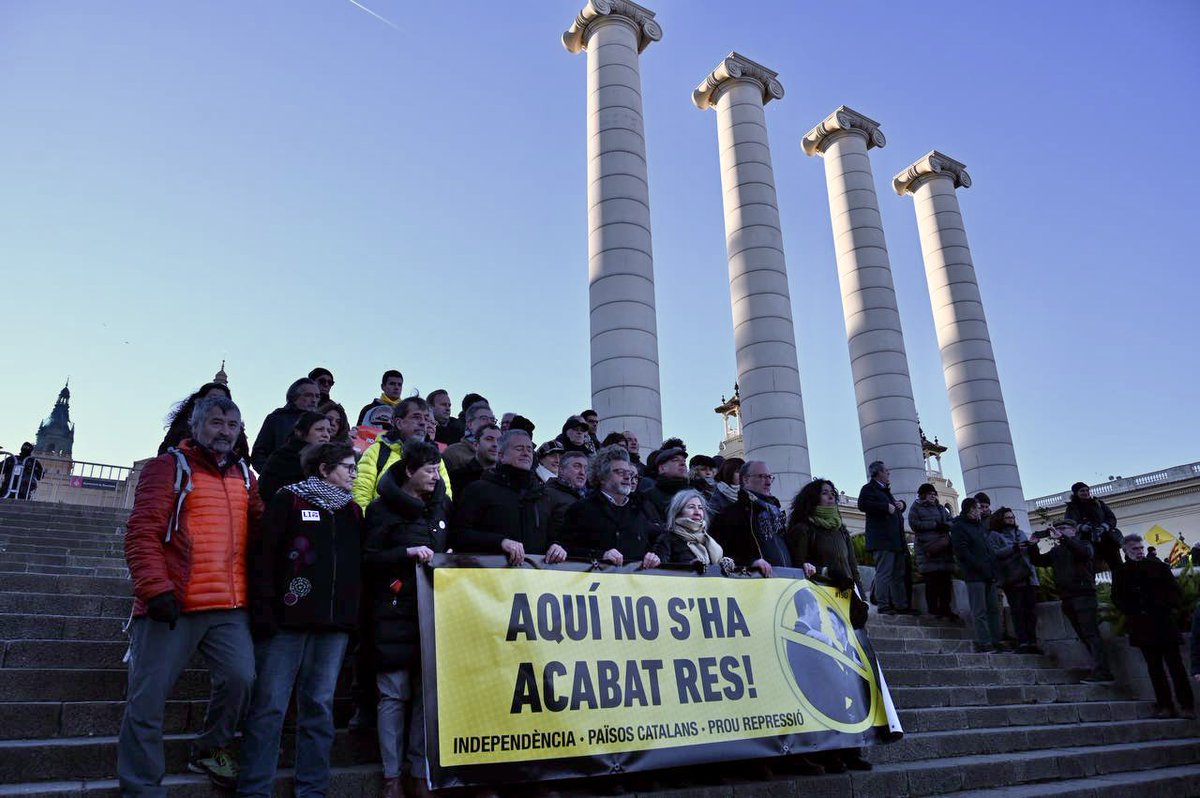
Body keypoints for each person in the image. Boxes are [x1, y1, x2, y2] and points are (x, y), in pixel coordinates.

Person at [119, 395, 265, 792]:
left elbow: (264, 528)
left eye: (233, 425)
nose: (225, 432)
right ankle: (141, 786)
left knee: (241, 679)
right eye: (217, 423)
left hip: (229, 606)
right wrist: (155, 589)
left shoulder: (245, 477)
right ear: (196, 426)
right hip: (174, 603)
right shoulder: (166, 468)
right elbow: (142, 533)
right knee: (147, 701)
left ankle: (210, 748)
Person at [238, 443, 362, 797]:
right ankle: (254, 789)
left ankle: (312, 789)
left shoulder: (353, 512)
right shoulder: (288, 500)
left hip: (333, 627)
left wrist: (350, 618)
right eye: (348, 467)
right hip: (285, 622)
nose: (354, 474)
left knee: (319, 708)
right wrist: (263, 608)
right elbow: (264, 557)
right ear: (323, 469)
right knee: (270, 706)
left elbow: (355, 569)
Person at [363, 442, 450, 798]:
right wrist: (405, 554)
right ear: (409, 471)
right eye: (429, 470)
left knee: (425, 698)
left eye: (437, 469)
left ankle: (419, 771)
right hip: (393, 612)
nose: (436, 476)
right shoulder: (382, 510)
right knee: (394, 694)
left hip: (433, 612)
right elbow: (368, 559)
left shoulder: (441, 509)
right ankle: (391, 776)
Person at [786, 479, 872, 773]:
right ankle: (828, 751)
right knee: (826, 683)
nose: (832, 496)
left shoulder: (840, 530)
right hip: (816, 611)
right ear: (813, 498)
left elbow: (853, 568)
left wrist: (860, 599)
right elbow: (797, 569)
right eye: (825, 493)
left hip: (845, 609)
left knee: (850, 680)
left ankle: (852, 748)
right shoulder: (802, 529)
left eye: (834, 492)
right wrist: (826, 573)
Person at [452, 429, 566, 565]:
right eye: (519, 449)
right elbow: (458, 535)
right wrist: (500, 542)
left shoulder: (543, 495)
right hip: (490, 577)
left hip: (534, 580)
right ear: (501, 455)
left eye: (529, 450)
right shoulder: (478, 489)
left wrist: (556, 546)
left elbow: (553, 536)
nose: (526, 453)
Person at [1112, 534, 1195, 718]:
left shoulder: (1159, 567)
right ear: (1125, 550)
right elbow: (1117, 597)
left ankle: (1186, 705)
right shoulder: (1121, 572)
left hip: (1163, 623)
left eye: (1141, 548)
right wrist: (1132, 611)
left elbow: (1175, 592)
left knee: (1176, 667)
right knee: (1154, 669)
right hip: (1142, 626)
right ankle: (1165, 705)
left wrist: (1166, 607)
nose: (1139, 552)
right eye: (1134, 549)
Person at [1029, 519, 1114, 682]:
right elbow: (1039, 561)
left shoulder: (1084, 544)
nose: (1059, 531)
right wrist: (1033, 545)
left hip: (1084, 594)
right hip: (1067, 597)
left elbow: (1084, 553)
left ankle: (1103, 670)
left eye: (1063, 528)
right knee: (1083, 634)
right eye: (1058, 528)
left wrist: (1064, 539)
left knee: (1091, 633)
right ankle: (1100, 668)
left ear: (1073, 530)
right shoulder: (1057, 551)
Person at [560, 445, 664, 568]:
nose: (627, 477)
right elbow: (565, 549)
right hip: (596, 583)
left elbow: (661, 538)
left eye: (629, 473)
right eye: (620, 472)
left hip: (636, 583)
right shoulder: (581, 509)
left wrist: (655, 555)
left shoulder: (641, 508)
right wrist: (600, 555)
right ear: (602, 477)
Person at [352, 397, 452, 511]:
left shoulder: (435, 457)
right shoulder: (377, 451)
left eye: (426, 418)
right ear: (399, 423)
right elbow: (360, 493)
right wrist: (372, 524)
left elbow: (445, 497)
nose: (423, 423)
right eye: (416, 417)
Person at [710, 461, 792, 577]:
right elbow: (721, 554)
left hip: (786, 583)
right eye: (762, 477)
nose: (768, 482)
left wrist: (802, 564)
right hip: (754, 585)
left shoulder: (776, 513)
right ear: (745, 480)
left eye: (770, 477)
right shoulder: (729, 515)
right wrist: (750, 562)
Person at [857, 461, 911, 614]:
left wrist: (901, 504)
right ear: (878, 472)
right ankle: (883, 604)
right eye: (886, 470)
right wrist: (884, 506)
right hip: (883, 541)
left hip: (895, 540)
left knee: (898, 574)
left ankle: (901, 605)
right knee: (884, 572)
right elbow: (862, 504)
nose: (889, 473)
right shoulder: (868, 489)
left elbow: (893, 507)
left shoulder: (885, 491)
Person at [987, 507, 1041, 653]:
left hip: (1028, 576)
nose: (1011, 520)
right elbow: (996, 554)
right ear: (1000, 520)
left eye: (1012, 517)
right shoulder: (994, 535)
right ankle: (1023, 642)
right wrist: (1014, 548)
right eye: (1007, 518)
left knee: (1031, 612)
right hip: (1012, 578)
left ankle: (1032, 641)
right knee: (1017, 611)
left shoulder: (1021, 533)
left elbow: (1030, 556)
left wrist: (1032, 545)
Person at [951, 498, 1002, 652]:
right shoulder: (959, 527)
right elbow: (962, 552)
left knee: (993, 609)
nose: (981, 511)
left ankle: (996, 640)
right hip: (974, 575)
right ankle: (984, 641)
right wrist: (979, 566)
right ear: (970, 509)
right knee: (979, 610)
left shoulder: (980, 526)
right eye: (978, 508)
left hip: (988, 574)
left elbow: (987, 548)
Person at [159, 382, 249, 459]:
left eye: (221, 399)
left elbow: (243, 456)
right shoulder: (182, 424)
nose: (225, 432)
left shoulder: (237, 432)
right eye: (212, 397)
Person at [255, 412, 331, 502]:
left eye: (329, 431)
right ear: (301, 432)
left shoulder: (330, 460)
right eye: (319, 429)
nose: (326, 435)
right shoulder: (282, 459)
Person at [908, 484, 956, 620]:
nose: (933, 496)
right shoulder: (916, 508)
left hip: (944, 549)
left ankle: (946, 609)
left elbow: (951, 521)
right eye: (930, 493)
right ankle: (934, 610)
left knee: (946, 581)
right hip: (928, 549)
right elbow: (914, 524)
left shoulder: (940, 508)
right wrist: (935, 525)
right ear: (923, 494)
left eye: (934, 494)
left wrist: (946, 525)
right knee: (932, 582)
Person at [251, 378, 321, 472]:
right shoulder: (277, 418)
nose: (314, 400)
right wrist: (272, 475)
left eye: (317, 396)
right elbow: (259, 454)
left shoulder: (322, 422)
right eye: (308, 395)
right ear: (294, 397)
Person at [1064, 481, 1123, 572]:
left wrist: (1104, 527)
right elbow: (1068, 524)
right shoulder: (1071, 508)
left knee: (1117, 566)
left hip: (1106, 538)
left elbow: (1111, 518)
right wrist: (1081, 527)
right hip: (1085, 541)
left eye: (1087, 490)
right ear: (1076, 493)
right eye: (1082, 491)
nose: (1086, 493)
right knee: (1090, 568)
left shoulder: (1098, 503)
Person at [664, 488, 724, 568]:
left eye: (700, 508)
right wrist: (689, 567)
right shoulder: (667, 539)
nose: (697, 512)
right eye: (691, 507)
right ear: (678, 511)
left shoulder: (707, 539)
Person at [539, 450, 588, 543]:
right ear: (561, 470)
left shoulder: (587, 498)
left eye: (585, 468)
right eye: (577, 466)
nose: (582, 472)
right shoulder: (548, 494)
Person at [441, 401, 497, 472]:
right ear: (470, 424)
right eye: (484, 418)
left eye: (492, 420)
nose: (489, 422)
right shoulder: (453, 453)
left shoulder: (500, 452)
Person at [447, 424, 500, 497]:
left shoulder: (507, 479)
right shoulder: (458, 478)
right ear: (476, 445)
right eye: (489, 439)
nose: (495, 444)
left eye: (499, 440)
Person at [644, 445, 689, 518]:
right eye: (676, 460)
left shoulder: (693, 493)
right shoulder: (648, 496)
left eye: (684, 461)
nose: (683, 463)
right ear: (662, 468)